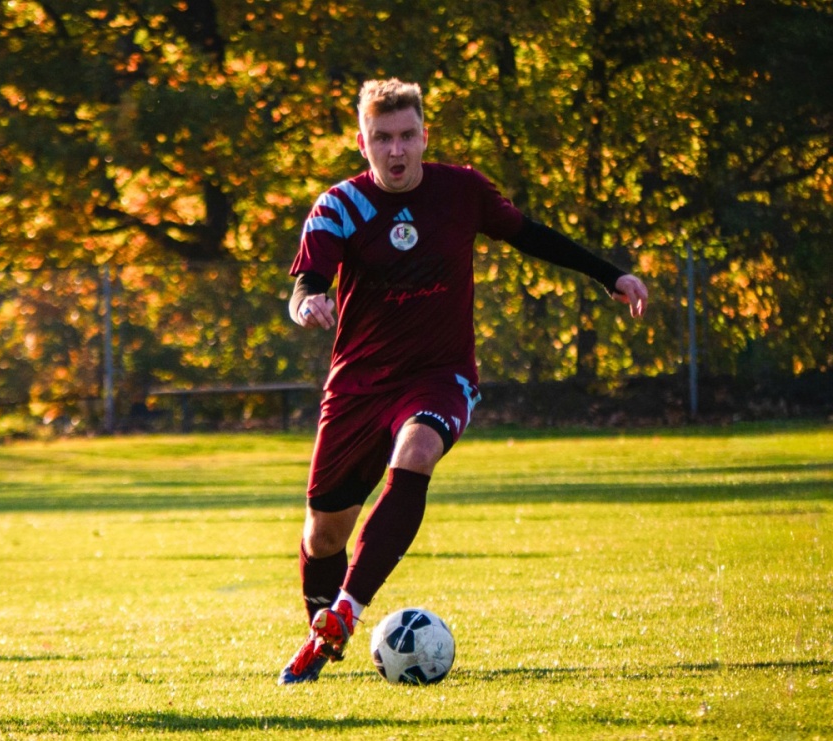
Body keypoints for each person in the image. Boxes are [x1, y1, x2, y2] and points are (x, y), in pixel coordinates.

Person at [278, 79, 649, 684]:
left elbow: (530, 234)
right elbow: (308, 281)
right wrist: (307, 305)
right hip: (358, 386)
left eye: (406, 136)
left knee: (418, 449)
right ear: (362, 142)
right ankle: (320, 632)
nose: (396, 151)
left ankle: (347, 610)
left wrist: (608, 275)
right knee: (323, 536)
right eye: (382, 139)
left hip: (439, 375)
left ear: (425, 135)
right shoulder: (340, 206)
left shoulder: (463, 191)